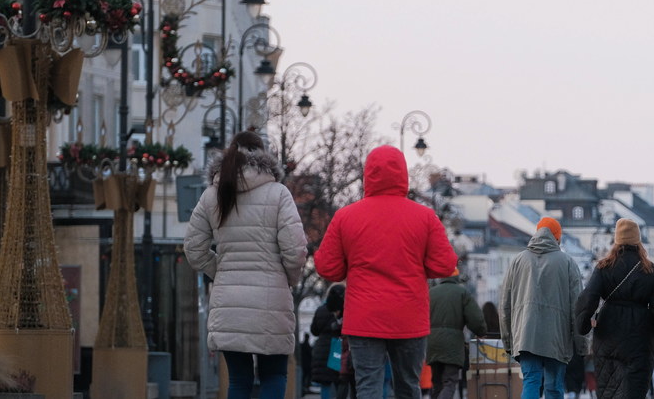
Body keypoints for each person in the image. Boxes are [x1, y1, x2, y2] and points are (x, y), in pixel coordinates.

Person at [315, 145, 458, 399]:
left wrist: (353, 262)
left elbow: (328, 268)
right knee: (408, 386)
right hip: (408, 315)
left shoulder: (346, 217)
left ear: (367, 174)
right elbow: (445, 265)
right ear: (403, 174)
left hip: (364, 316)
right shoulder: (425, 217)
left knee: (368, 386)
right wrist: (417, 264)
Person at [183, 131, 307, 399]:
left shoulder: (212, 195)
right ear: (263, 155)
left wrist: (223, 272)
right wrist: (288, 278)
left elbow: (194, 249)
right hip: (271, 300)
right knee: (274, 375)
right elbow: (296, 251)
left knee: (239, 380)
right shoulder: (279, 194)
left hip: (229, 302)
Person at [575, 219, 654, 399]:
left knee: (610, 390)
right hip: (640, 337)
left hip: (608, 335)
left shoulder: (604, 267)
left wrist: (583, 324)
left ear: (616, 240)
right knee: (635, 391)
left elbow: (589, 297)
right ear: (638, 241)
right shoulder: (650, 270)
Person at [501, 217, 583, 399]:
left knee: (531, 381)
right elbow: (578, 307)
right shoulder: (567, 263)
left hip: (526, 335)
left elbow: (505, 305)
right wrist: (582, 344)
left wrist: (508, 341)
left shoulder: (518, 261)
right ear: (557, 237)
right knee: (554, 386)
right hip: (557, 337)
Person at [428, 269, 487, 399]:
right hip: (452, 344)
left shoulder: (430, 293)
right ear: (457, 277)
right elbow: (475, 318)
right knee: (449, 381)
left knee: (437, 384)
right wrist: (481, 332)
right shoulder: (462, 292)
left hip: (431, 343)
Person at [311, 285, 349, 399]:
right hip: (338, 347)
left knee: (325, 383)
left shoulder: (320, 310)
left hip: (322, 349)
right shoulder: (345, 308)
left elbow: (314, 330)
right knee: (341, 382)